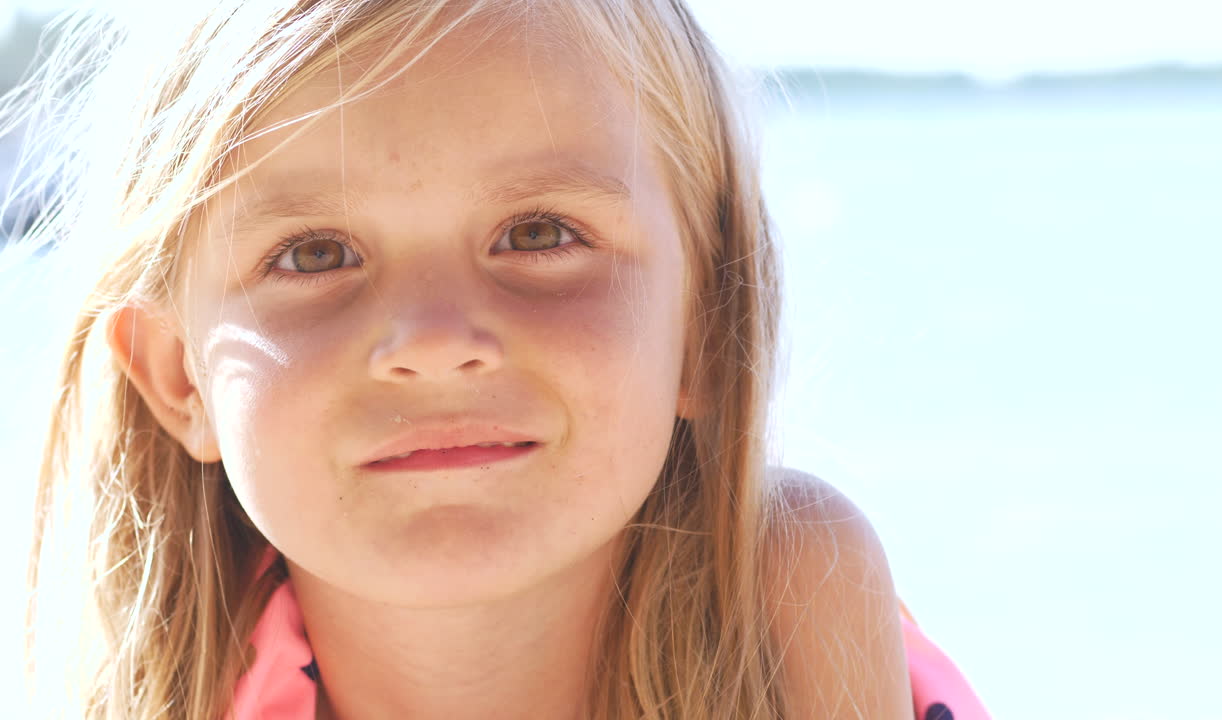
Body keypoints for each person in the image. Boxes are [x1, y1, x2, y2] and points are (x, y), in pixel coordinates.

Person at [5, 1, 990, 718]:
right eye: (315, 255)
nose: (433, 341)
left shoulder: (797, 606)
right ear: (180, 378)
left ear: (707, 325)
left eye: (537, 234)